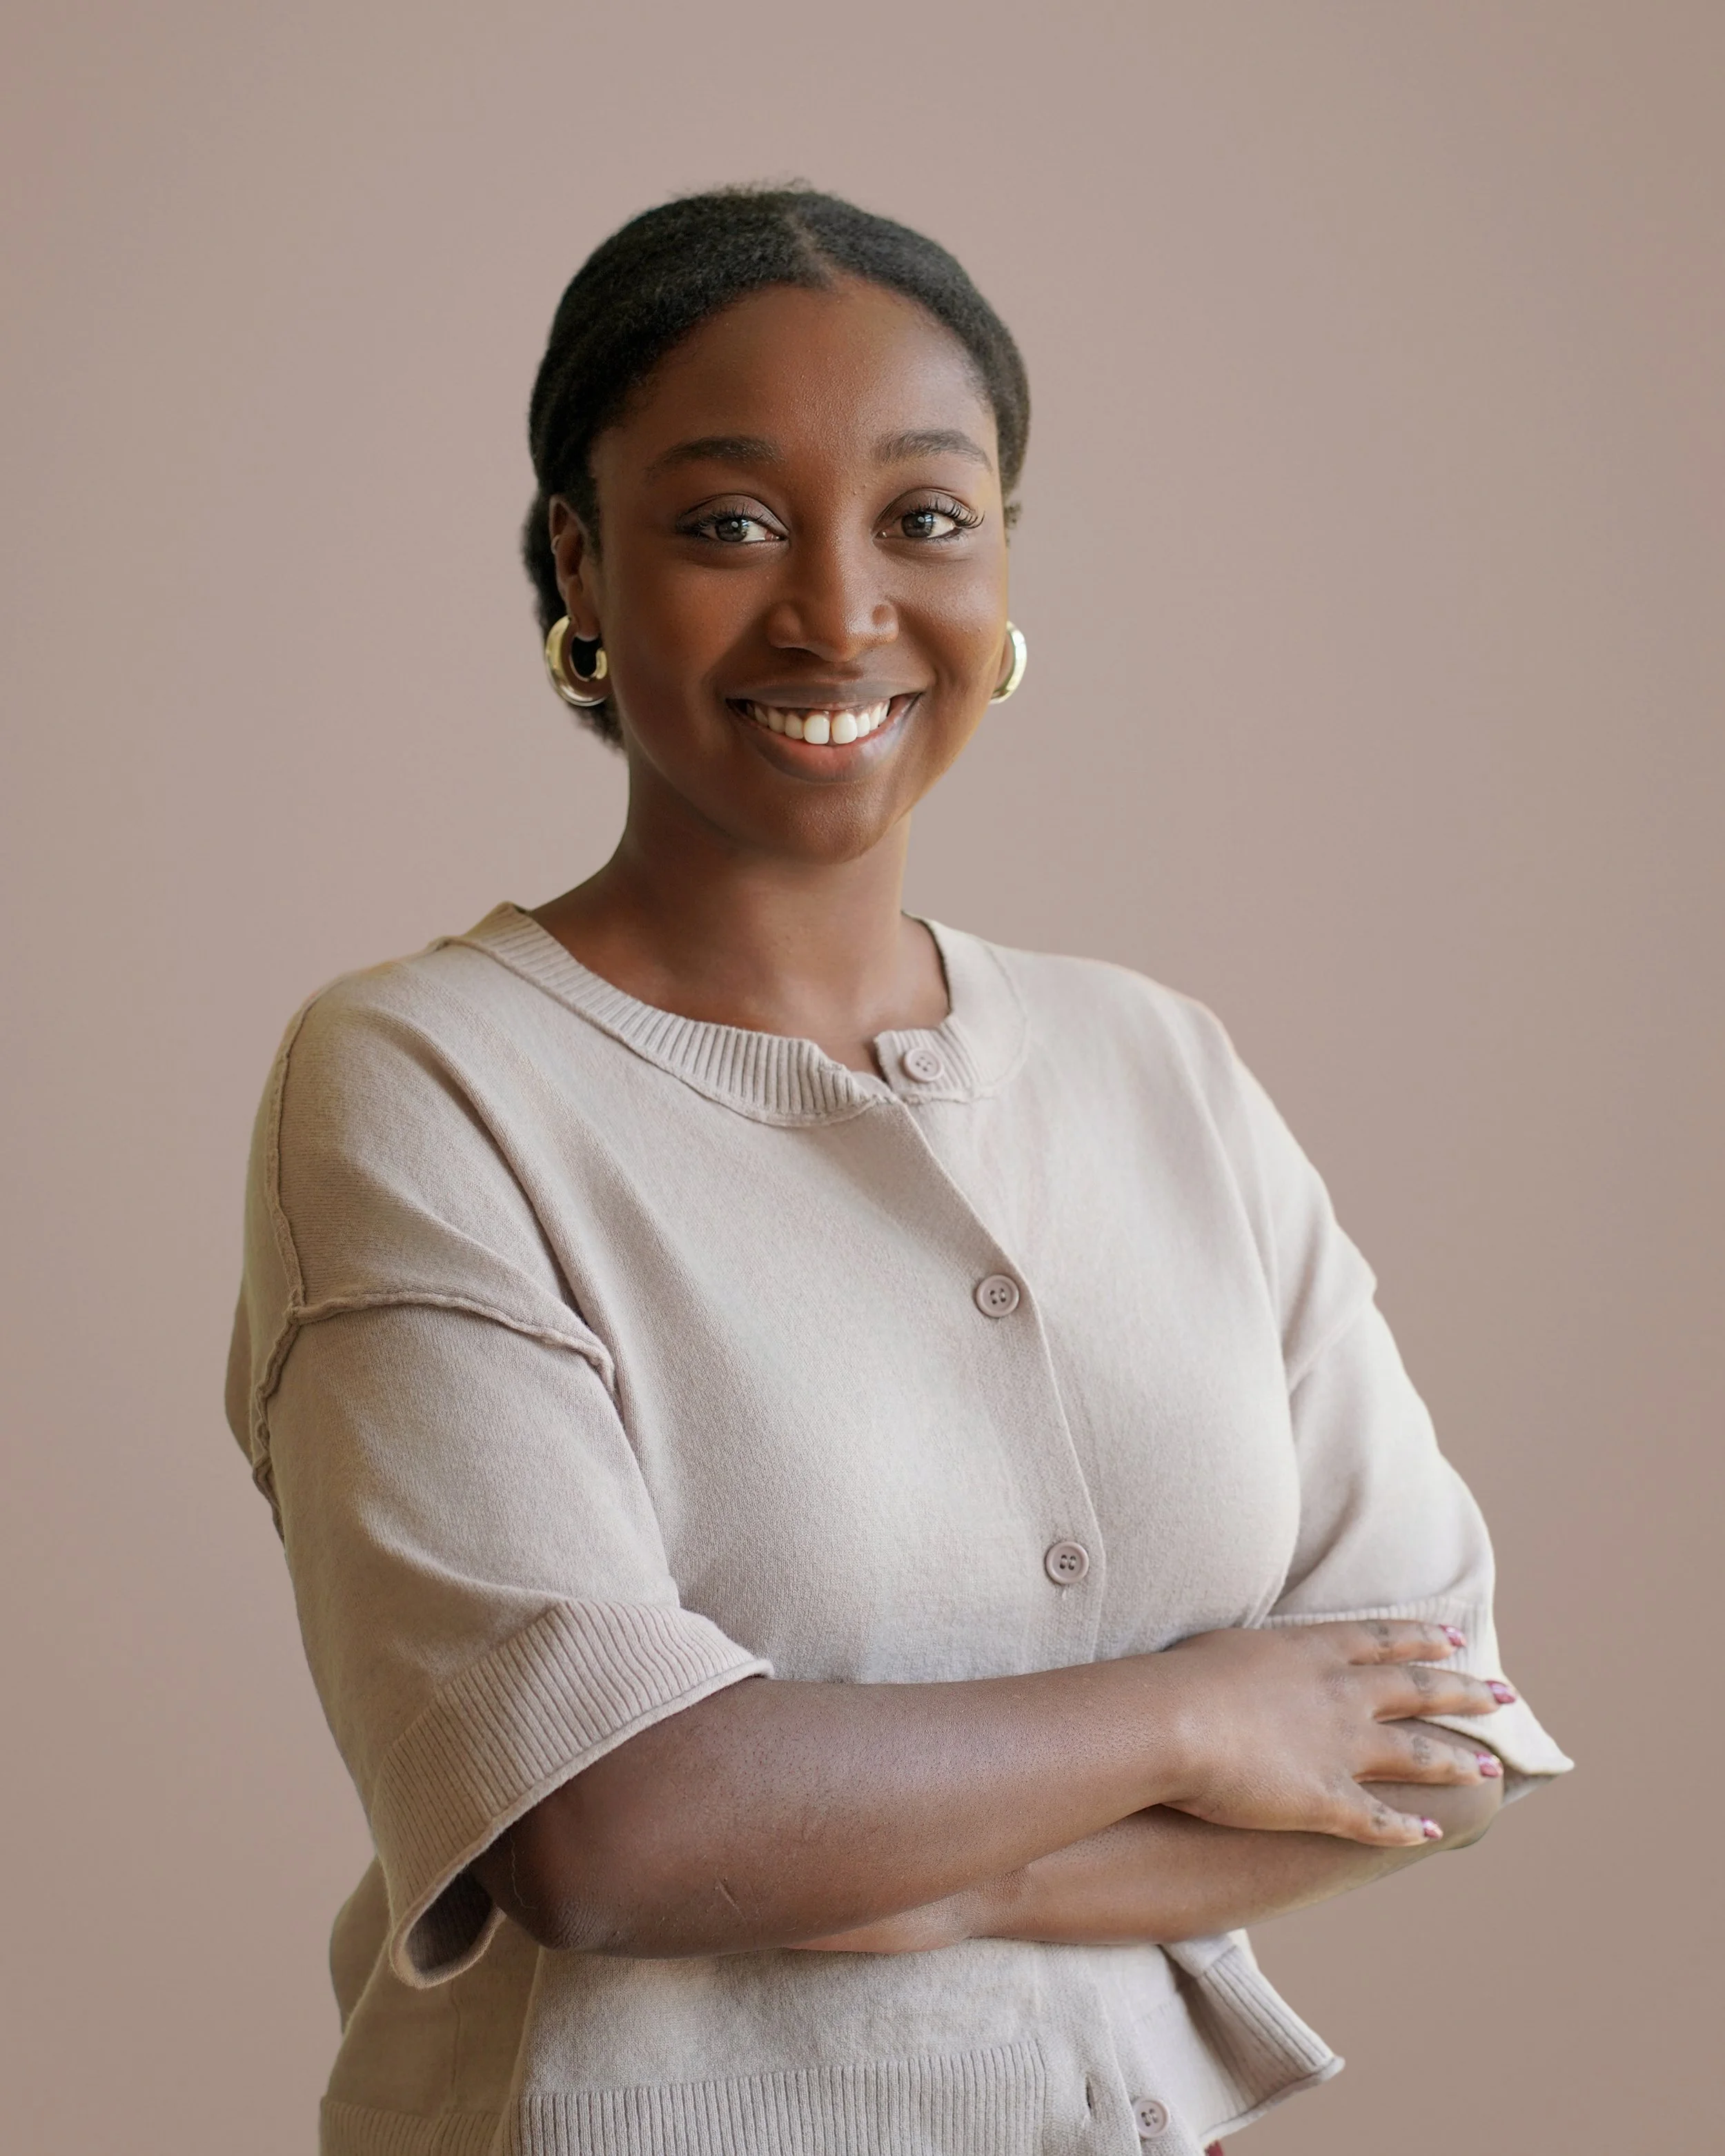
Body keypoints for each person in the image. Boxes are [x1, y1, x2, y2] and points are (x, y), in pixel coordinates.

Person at [226, 186, 1571, 2156]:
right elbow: (606, 1825)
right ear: (576, 567)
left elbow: (1436, 1726)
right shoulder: (425, 1080)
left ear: (1003, 566)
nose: (837, 613)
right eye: (725, 522)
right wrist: (1198, 1718)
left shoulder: (1155, 1066)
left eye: (924, 519)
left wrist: (943, 1872)